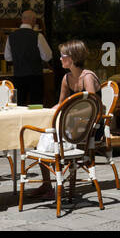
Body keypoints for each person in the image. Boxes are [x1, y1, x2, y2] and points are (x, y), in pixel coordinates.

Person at [29, 40, 102, 201]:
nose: (60, 59)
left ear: (73, 58)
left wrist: (69, 113)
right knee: (40, 138)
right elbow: (61, 104)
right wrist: (51, 110)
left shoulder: (87, 77)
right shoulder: (66, 78)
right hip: (73, 125)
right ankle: (48, 184)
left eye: (63, 56)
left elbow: (94, 106)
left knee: (49, 140)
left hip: (89, 129)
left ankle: (54, 183)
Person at [4, 9, 52, 105]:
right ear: (33, 20)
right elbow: (47, 56)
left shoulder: (11, 36)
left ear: (22, 20)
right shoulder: (38, 36)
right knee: (36, 105)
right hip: (35, 77)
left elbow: (8, 58)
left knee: (18, 105)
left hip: (18, 77)